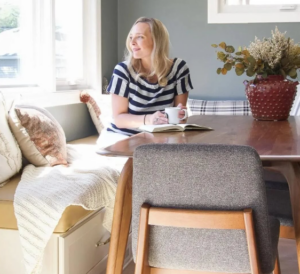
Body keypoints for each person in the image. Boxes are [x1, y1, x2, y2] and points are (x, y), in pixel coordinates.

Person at [98, 17, 193, 148]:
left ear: (156, 41)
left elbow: (180, 115)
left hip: (158, 138)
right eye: (131, 37)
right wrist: (148, 119)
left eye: (139, 37)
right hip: (122, 136)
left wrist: (181, 116)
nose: (132, 43)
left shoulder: (179, 69)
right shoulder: (123, 71)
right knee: (137, 162)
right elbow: (119, 119)